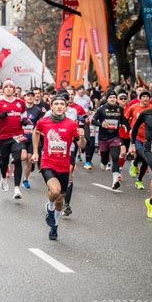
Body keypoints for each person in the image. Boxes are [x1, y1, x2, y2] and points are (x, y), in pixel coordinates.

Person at [32, 96, 86, 240]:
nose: (59, 106)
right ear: (51, 106)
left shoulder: (71, 124)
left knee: (60, 200)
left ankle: (54, 225)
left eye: (62, 104)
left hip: (64, 165)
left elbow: (81, 145)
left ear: (66, 107)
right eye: (56, 104)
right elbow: (36, 132)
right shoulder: (43, 122)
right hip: (47, 163)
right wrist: (36, 152)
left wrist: (82, 137)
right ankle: (49, 207)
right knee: (54, 191)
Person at [0, 79, 26, 199]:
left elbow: (23, 114)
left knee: (18, 159)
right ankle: (3, 177)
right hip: (4, 136)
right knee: (3, 161)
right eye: (6, 87)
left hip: (18, 135)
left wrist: (24, 120)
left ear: (14, 90)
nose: (8, 88)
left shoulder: (20, 102)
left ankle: (16, 188)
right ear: (3, 89)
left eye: (11, 87)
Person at [92, 91, 129, 189]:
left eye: (114, 97)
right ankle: (104, 162)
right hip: (103, 138)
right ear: (107, 99)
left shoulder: (120, 109)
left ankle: (115, 180)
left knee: (115, 157)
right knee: (104, 159)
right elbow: (93, 121)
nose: (112, 99)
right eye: (110, 97)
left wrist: (125, 126)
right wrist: (101, 124)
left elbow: (123, 120)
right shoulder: (101, 109)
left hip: (115, 137)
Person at [125, 90, 152, 190]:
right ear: (140, 98)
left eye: (147, 96)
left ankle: (139, 180)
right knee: (143, 155)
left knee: (146, 161)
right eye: (143, 96)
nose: (145, 98)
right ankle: (135, 163)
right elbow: (125, 118)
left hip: (148, 138)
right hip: (136, 136)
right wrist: (129, 129)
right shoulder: (134, 107)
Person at [21, 90, 41, 188]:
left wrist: (35, 131)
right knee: (23, 157)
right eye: (27, 95)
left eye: (31, 96)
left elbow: (38, 124)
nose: (30, 97)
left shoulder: (37, 110)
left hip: (31, 137)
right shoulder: (20, 108)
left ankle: (25, 180)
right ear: (24, 97)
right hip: (21, 137)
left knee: (29, 160)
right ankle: (15, 161)